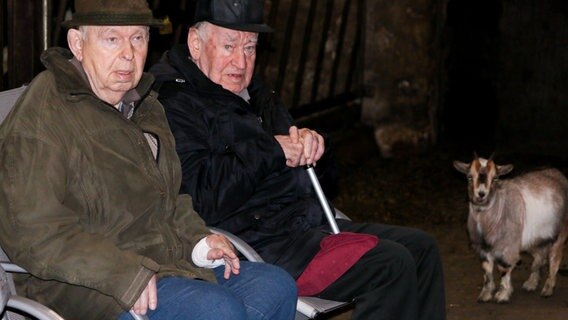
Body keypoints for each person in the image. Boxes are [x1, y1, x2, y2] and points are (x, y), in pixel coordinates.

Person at [0, 1, 297, 319]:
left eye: (138, 39)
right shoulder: (46, 114)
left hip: (164, 264)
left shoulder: (145, 106)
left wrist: (198, 241)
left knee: (275, 287)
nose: (128, 53)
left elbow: (168, 196)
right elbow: (34, 233)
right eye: (112, 39)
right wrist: (122, 275)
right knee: (215, 310)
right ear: (78, 44)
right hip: (86, 289)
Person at [150, 0, 446, 319]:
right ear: (196, 43)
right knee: (390, 263)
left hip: (306, 227)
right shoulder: (176, 104)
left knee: (421, 248)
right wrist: (270, 151)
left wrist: (316, 149)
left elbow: (326, 184)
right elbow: (202, 199)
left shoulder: (258, 97)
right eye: (229, 45)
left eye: (250, 47)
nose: (241, 60)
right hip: (261, 246)